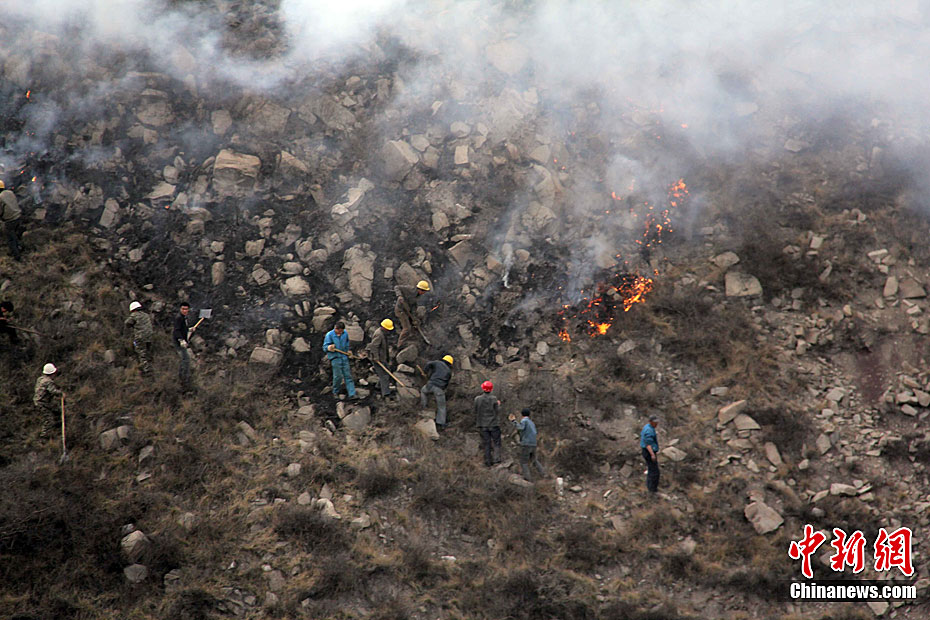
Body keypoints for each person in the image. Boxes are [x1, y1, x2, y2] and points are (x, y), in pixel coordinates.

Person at [509, 408, 546, 481]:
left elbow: (520, 428)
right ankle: (544, 474)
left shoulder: (524, 421)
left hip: (526, 444)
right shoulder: (531, 422)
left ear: (522, 414)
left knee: (523, 462)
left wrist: (514, 421)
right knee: (534, 460)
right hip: (534, 444)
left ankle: (527, 478)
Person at [323, 320, 356, 400]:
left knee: (348, 376)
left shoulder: (345, 334)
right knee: (338, 376)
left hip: (344, 357)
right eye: (339, 331)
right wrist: (329, 348)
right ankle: (335, 392)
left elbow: (347, 344)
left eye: (342, 331)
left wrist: (348, 351)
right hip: (335, 358)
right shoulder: (329, 335)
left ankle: (352, 394)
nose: (340, 333)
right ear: (336, 328)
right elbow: (324, 347)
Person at [394, 280, 430, 348]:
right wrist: (399, 296)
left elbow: (413, 307)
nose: (424, 293)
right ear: (420, 289)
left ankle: (410, 340)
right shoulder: (410, 289)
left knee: (413, 325)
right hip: (400, 310)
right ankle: (400, 344)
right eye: (424, 291)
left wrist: (414, 318)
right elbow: (397, 287)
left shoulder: (418, 296)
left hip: (407, 311)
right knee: (407, 328)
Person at [421, 354, 453, 430]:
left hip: (430, 384)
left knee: (423, 391)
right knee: (441, 406)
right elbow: (446, 383)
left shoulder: (437, 363)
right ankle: (441, 423)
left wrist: (425, 371)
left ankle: (424, 406)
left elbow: (428, 363)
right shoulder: (449, 371)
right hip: (439, 388)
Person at [475, 380, 502, 466]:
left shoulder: (477, 399)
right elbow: (497, 411)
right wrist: (498, 405)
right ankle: (496, 459)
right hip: (493, 424)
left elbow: (476, 410)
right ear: (491, 389)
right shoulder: (494, 399)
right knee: (496, 442)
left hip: (483, 424)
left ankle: (488, 461)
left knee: (487, 443)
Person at [34, 363, 63, 439]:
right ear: (52, 373)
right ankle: (44, 437)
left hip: (39, 401)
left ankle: (56, 427)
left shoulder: (40, 379)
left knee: (56, 411)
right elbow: (53, 391)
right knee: (48, 419)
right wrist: (61, 393)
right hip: (42, 403)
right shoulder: (48, 382)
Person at [366, 318, 394, 399]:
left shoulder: (382, 333)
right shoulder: (379, 334)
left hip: (383, 357)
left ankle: (378, 386)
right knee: (383, 376)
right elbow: (374, 347)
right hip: (378, 359)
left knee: (387, 372)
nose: (389, 331)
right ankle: (386, 394)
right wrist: (376, 358)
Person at [125, 301, 154, 375]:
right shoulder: (146, 315)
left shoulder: (134, 315)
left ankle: (147, 370)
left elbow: (127, 323)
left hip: (140, 337)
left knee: (141, 352)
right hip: (150, 337)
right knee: (148, 352)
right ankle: (151, 364)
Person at [172, 302, 193, 389]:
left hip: (182, 341)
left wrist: (189, 330)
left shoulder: (184, 318)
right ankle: (183, 379)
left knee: (184, 359)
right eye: (183, 309)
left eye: (186, 309)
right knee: (185, 359)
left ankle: (183, 378)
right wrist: (181, 340)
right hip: (179, 342)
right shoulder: (179, 318)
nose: (185, 311)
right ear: (180, 309)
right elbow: (176, 330)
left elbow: (183, 329)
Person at [0, 181, 22, 261]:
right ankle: (19, 248)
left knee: (11, 239)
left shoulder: (0, 197)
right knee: (15, 235)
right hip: (18, 217)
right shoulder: (10, 192)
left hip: (10, 220)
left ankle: (16, 256)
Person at [640, 415, 660, 494]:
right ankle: (652, 489)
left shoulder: (647, 427)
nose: (657, 424)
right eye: (655, 422)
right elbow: (648, 444)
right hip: (649, 452)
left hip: (646, 451)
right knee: (654, 471)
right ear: (651, 422)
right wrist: (652, 454)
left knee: (651, 469)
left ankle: (650, 487)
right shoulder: (649, 430)